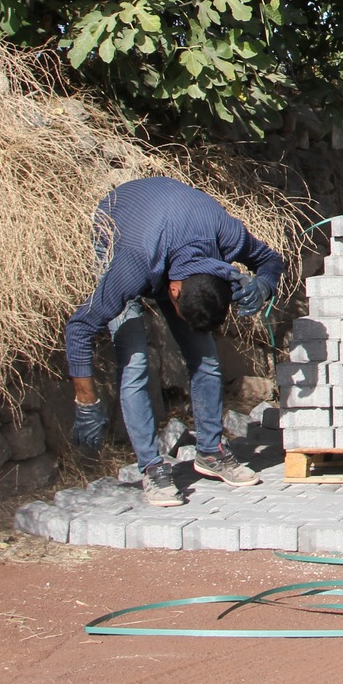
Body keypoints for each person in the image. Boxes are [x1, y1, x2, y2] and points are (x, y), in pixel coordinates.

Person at [66, 176, 285, 508]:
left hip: (175, 231)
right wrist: (87, 403)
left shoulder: (226, 236)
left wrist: (264, 286)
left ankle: (210, 452)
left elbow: (271, 262)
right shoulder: (131, 266)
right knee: (135, 360)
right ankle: (152, 469)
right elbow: (79, 328)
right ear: (173, 292)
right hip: (119, 227)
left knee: (206, 358)